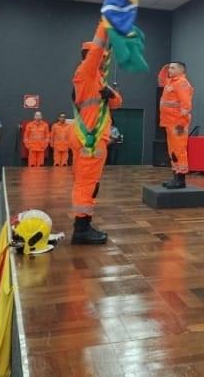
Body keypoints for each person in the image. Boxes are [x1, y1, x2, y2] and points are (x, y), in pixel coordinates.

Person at [68, 22, 123, 245]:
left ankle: (84, 224)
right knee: (86, 183)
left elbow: (118, 103)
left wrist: (110, 93)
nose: (103, 58)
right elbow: (99, 48)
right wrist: (106, 24)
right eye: (99, 55)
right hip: (88, 138)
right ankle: (81, 229)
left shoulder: (97, 79)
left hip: (92, 137)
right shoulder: (86, 72)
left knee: (89, 183)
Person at [158, 61, 194, 189]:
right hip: (169, 122)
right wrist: (164, 69)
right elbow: (161, 80)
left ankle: (180, 180)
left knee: (179, 151)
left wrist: (180, 124)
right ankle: (175, 177)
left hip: (178, 124)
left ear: (181, 70)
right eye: (169, 68)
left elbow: (186, 105)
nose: (170, 70)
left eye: (172, 68)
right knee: (172, 151)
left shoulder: (182, 83)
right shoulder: (171, 82)